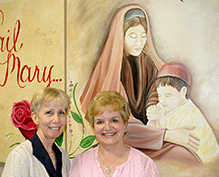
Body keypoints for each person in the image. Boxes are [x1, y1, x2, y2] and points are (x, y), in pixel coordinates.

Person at [79, 4, 202, 164]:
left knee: (186, 156)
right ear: (120, 36)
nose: (140, 42)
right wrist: (165, 134)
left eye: (143, 35)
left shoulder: (148, 63)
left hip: (153, 133)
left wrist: (153, 108)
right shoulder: (111, 70)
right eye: (133, 36)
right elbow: (116, 124)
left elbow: (155, 91)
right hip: (125, 140)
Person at [70, 91, 159, 177]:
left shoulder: (144, 165)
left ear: (125, 124)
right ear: (93, 126)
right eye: (100, 122)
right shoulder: (81, 163)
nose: (107, 127)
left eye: (114, 120)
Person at [146, 62, 219, 163]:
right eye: (159, 95)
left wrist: (159, 119)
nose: (162, 100)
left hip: (202, 160)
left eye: (167, 95)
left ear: (183, 92)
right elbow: (151, 134)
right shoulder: (165, 105)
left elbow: (168, 137)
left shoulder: (189, 113)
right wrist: (152, 118)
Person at [2, 87, 71, 177]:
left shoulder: (63, 156)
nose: (56, 119)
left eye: (61, 113)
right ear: (35, 118)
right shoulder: (20, 156)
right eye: (49, 112)